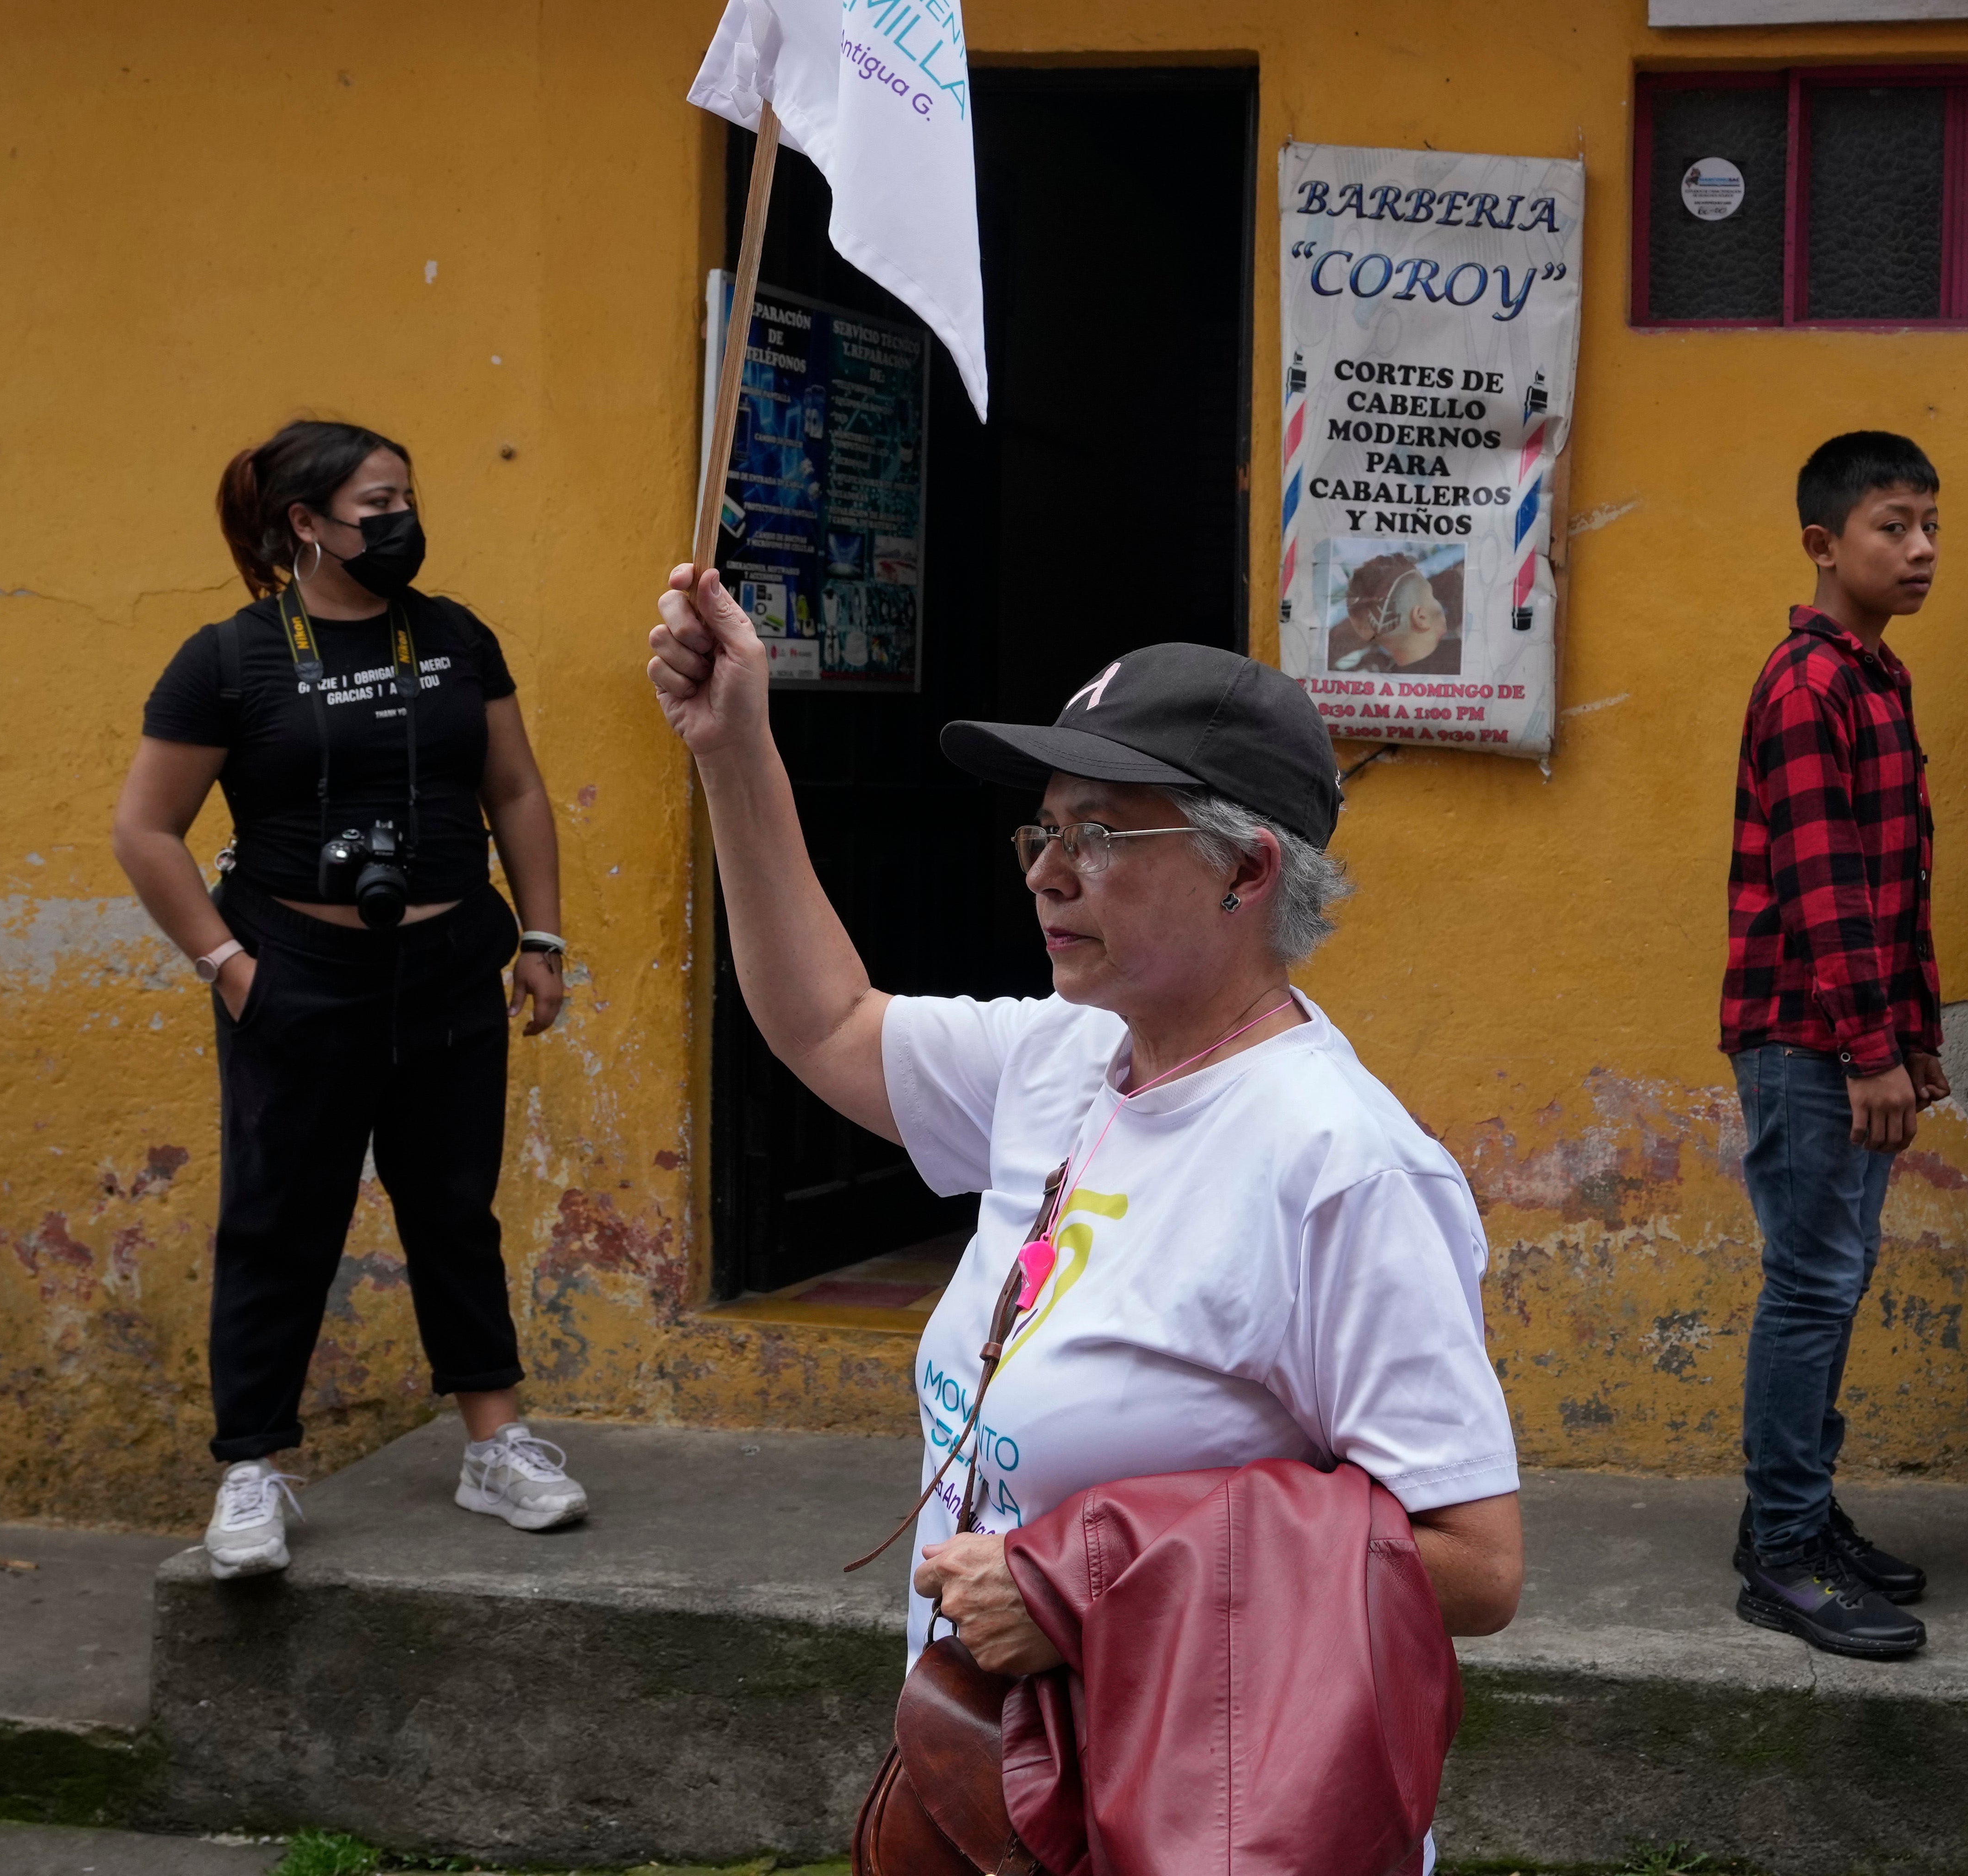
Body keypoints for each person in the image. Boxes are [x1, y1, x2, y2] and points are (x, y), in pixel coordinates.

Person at [642, 574, 1526, 1700]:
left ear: (1247, 869)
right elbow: (828, 1022)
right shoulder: (1063, 1054)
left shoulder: (1343, 1166)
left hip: (1192, 1774)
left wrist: (1093, 1588)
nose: (1045, 873)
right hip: (987, 1763)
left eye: (1099, 834)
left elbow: (1474, 1566)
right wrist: (733, 750)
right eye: (1045, 829)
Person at [113, 421, 585, 1579]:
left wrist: (540, 937)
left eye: (407, 500)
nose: (402, 522)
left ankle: (495, 1445)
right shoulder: (228, 659)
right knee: (278, 1219)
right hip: (296, 973)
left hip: (449, 966)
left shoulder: (456, 637)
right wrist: (229, 966)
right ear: (305, 524)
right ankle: (253, 1469)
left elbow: (517, 789)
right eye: (377, 506)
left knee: (454, 1208)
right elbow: (146, 829)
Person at [1718, 432, 1951, 1660]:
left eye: (1930, 527)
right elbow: (1824, 887)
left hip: (1853, 1034)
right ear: (1823, 542)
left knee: (1835, 1276)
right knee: (1811, 1282)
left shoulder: (1876, 678)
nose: (1920, 550)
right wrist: (1869, 1046)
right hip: (1806, 1037)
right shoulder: (1810, 684)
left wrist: (1912, 1036)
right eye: (1892, 527)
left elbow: (1896, 876)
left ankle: (1795, 1511)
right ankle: (1783, 1552)